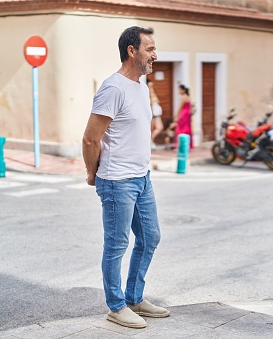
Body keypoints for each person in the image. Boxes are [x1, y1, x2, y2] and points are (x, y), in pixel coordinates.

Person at [82, 26, 170, 330]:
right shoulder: (113, 88)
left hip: (142, 177)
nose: (155, 55)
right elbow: (90, 139)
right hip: (117, 180)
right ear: (131, 51)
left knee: (150, 237)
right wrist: (93, 174)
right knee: (116, 244)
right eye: (149, 49)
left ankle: (134, 297)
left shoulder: (141, 87)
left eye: (154, 49)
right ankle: (116, 306)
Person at [174, 84, 193, 149]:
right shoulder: (188, 97)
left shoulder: (183, 97)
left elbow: (180, 107)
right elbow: (191, 108)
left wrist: (176, 116)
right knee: (187, 129)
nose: (178, 91)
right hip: (188, 115)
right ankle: (188, 145)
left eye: (179, 89)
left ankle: (180, 146)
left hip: (183, 114)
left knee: (180, 129)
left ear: (183, 90)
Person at [147, 78, 163, 149]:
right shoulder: (147, 92)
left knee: (157, 128)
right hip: (153, 114)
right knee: (156, 128)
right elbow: (150, 103)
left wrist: (152, 89)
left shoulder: (151, 91)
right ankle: (149, 142)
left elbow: (157, 101)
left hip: (156, 113)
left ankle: (150, 141)